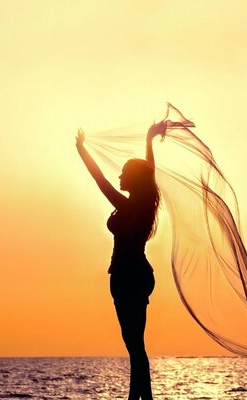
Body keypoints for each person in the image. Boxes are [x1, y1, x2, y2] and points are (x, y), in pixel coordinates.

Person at [76, 121, 166, 400]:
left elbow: (99, 179)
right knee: (135, 345)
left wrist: (81, 149)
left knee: (134, 345)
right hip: (135, 274)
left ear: (134, 179)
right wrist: (149, 141)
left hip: (128, 276)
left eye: (125, 173)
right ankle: (139, 398)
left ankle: (139, 399)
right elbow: (148, 171)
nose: (119, 176)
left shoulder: (130, 206)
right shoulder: (144, 202)